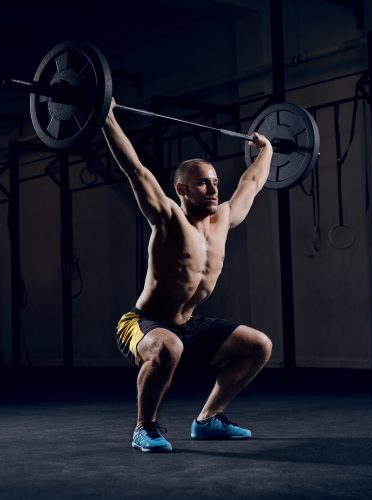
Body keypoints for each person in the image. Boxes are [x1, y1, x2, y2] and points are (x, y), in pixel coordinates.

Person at [102, 98, 274, 453]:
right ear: (182, 189)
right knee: (169, 346)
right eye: (202, 184)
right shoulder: (167, 218)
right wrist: (105, 117)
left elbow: (252, 182)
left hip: (187, 324)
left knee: (259, 346)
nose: (213, 189)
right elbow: (135, 169)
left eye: (214, 182)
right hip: (143, 322)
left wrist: (268, 149)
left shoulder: (224, 219)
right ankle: (143, 428)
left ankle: (208, 420)